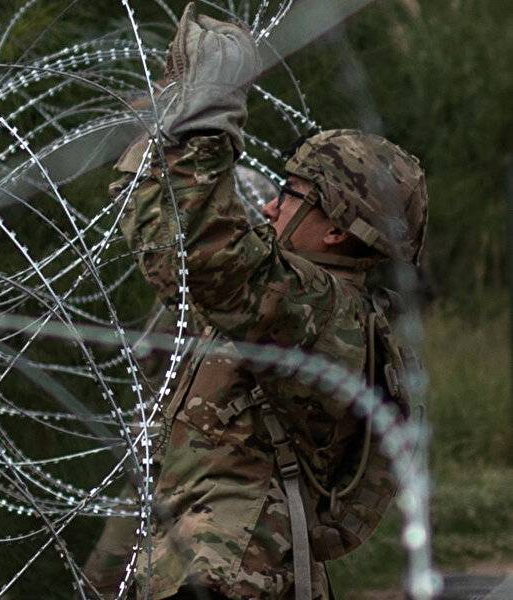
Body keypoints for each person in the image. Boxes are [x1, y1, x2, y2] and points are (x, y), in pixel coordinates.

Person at [85, 3, 428, 599]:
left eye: (293, 195)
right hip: (197, 569)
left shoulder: (328, 316)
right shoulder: (283, 305)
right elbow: (174, 253)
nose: (271, 207)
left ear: (338, 230)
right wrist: (171, 131)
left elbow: (201, 254)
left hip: (238, 577)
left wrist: (208, 122)